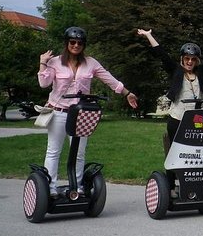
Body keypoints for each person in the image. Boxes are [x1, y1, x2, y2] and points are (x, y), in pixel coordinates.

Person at [38, 27, 138, 197]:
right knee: (54, 151)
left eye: (80, 43)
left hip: (81, 114)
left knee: (79, 153)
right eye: (72, 42)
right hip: (59, 111)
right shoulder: (55, 62)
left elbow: (109, 79)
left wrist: (127, 93)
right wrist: (43, 62)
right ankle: (51, 188)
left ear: (84, 45)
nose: (76, 45)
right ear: (66, 43)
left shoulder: (91, 63)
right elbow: (43, 83)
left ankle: (77, 187)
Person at [137, 28, 203, 197]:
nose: (189, 62)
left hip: (197, 120)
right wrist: (149, 35)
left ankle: (195, 185)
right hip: (178, 118)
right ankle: (172, 186)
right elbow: (161, 54)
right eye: (187, 59)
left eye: (193, 59)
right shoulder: (176, 71)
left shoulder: (200, 72)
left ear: (197, 61)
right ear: (182, 59)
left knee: (197, 153)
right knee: (175, 152)